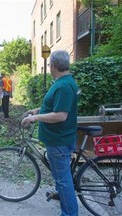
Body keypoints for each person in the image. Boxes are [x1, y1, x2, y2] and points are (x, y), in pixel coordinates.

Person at [21, 50, 79, 216]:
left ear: (53, 66)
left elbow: (61, 115)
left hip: (59, 140)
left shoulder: (63, 85)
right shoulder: (63, 82)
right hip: (58, 139)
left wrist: (35, 118)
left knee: (63, 180)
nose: (49, 68)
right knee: (62, 178)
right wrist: (37, 109)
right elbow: (55, 106)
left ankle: (69, 213)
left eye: (49, 65)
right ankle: (62, 196)